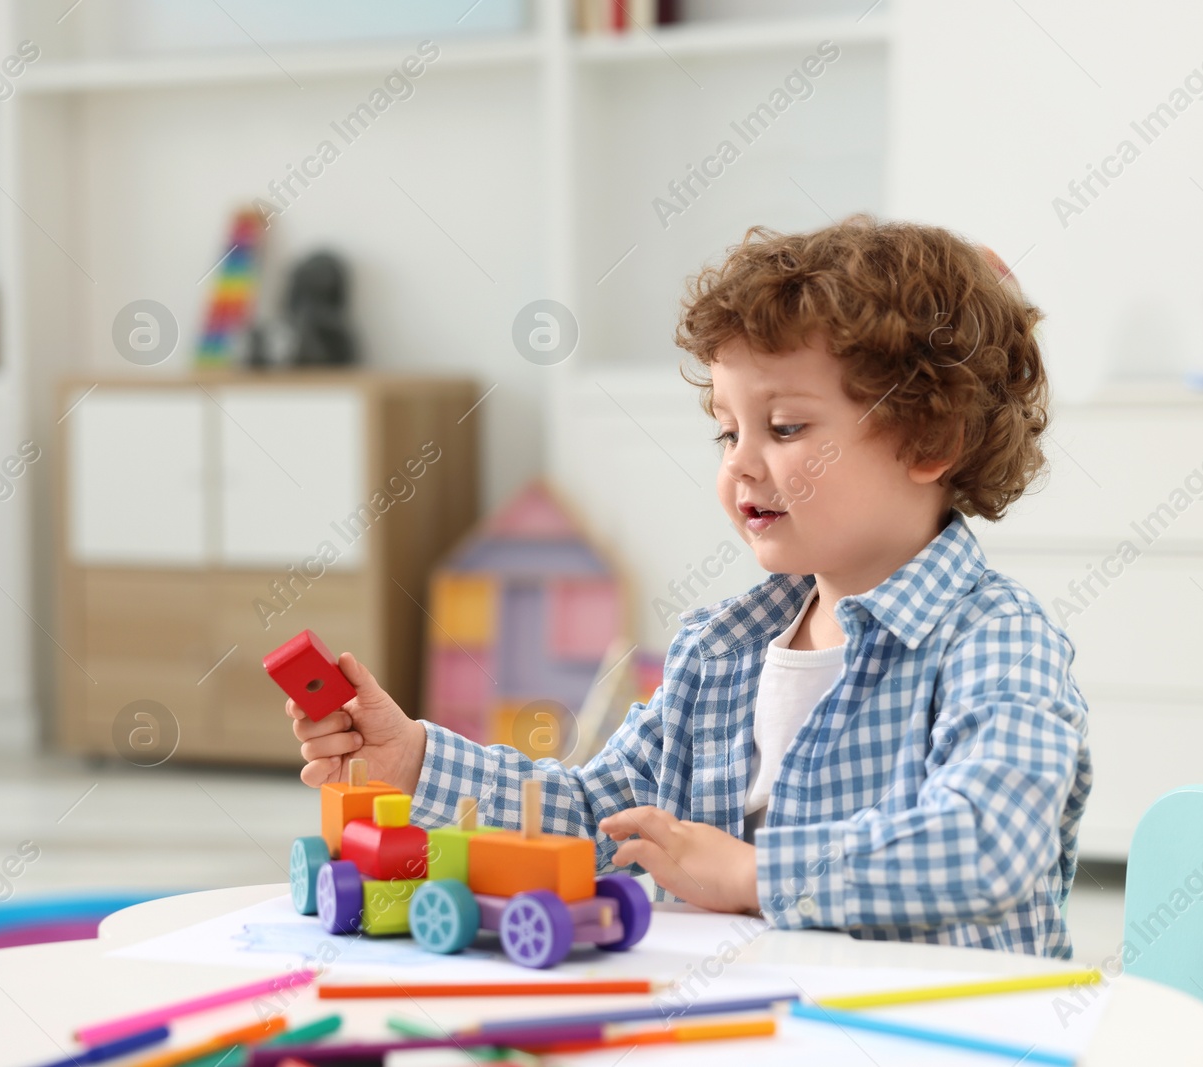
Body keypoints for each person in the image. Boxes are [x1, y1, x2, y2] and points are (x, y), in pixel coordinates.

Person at [287, 215, 1091, 955]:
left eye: (784, 427)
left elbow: (992, 838)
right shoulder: (721, 652)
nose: (739, 463)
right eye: (726, 428)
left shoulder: (995, 638)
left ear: (930, 440)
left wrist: (752, 873)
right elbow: (590, 817)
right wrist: (414, 760)